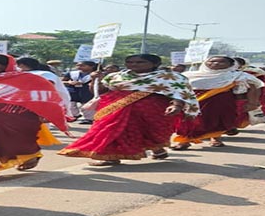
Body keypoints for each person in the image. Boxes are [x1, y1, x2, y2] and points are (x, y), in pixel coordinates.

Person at [58, 54, 197, 166]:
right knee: (112, 130)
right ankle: (110, 156)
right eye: (130, 62)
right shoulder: (116, 76)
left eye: (140, 62)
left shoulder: (171, 77)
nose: (134, 65)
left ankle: (157, 148)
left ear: (155, 64)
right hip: (116, 108)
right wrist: (96, 80)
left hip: (152, 111)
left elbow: (180, 93)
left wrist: (176, 106)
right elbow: (101, 92)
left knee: (148, 132)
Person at [0, 54, 69, 174]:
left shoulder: (27, 79)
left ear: (4, 66)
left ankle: (29, 156)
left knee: (13, 143)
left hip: (15, 118)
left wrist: (46, 112)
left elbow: (45, 96)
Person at [172, 56, 263, 149]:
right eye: (212, 61)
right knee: (187, 121)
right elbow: (178, 89)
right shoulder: (188, 75)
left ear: (231, 64)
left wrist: (252, 103)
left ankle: (215, 138)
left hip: (221, 103)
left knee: (216, 121)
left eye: (222, 62)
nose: (216, 63)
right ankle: (184, 141)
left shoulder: (238, 75)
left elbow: (253, 87)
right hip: (193, 102)